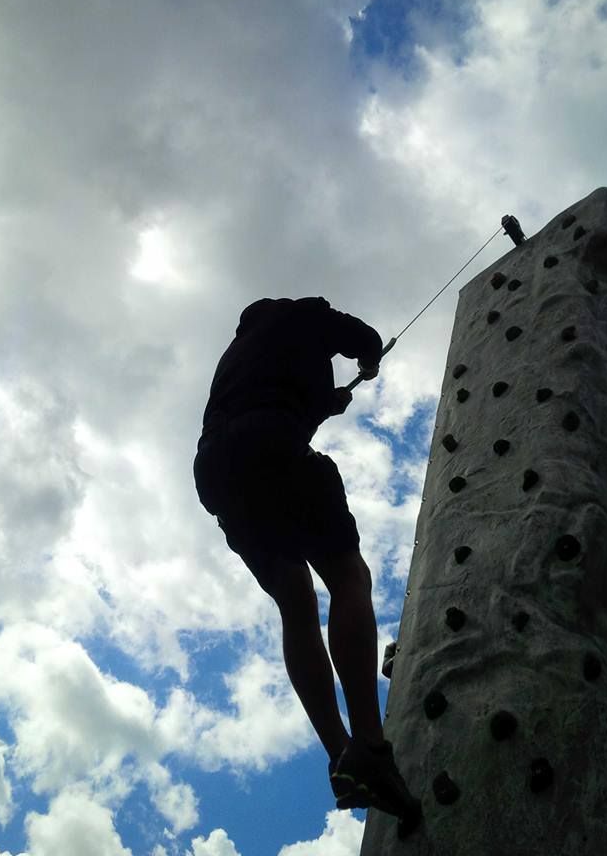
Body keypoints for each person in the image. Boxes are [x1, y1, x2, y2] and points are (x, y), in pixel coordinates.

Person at [193, 297, 421, 829]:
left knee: (295, 600)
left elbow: (292, 401)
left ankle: (340, 753)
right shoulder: (302, 313)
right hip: (271, 439)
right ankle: (369, 741)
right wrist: (369, 362)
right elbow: (360, 336)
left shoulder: (239, 355)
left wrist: (325, 402)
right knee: (347, 574)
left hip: (216, 473)